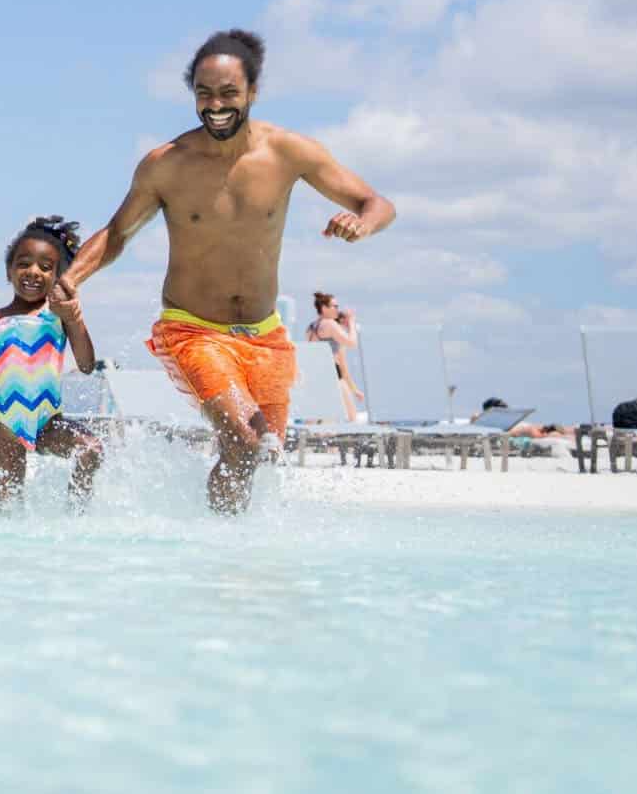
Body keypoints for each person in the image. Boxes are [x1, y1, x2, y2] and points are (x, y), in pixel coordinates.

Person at [59, 29, 396, 513]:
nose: (215, 104)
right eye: (204, 93)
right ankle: (220, 544)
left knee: (262, 454)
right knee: (242, 437)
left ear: (252, 93)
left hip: (265, 337)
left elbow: (376, 202)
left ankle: (227, 555)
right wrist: (72, 279)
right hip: (192, 329)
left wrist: (362, 223)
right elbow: (117, 232)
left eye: (228, 93)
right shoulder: (166, 165)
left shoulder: (289, 152)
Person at [0, 217, 103, 509]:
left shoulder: (59, 316)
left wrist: (73, 317)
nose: (33, 272)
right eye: (24, 263)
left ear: (58, 276)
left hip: (48, 423)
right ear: (9, 270)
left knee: (91, 450)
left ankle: (75, 519)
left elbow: (86, 365)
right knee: (7, 510)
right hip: (6, 427)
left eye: (45, 267)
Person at [306, 292, 368, 422]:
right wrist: (351, 323)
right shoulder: (329, 324)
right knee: (352, 417)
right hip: (332, 374)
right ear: (324, 308)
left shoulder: (311, 328)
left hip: (316, 376)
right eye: (334, 306)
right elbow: (352, 342)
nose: (337, 309)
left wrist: (354, 389)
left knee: (316, 419)